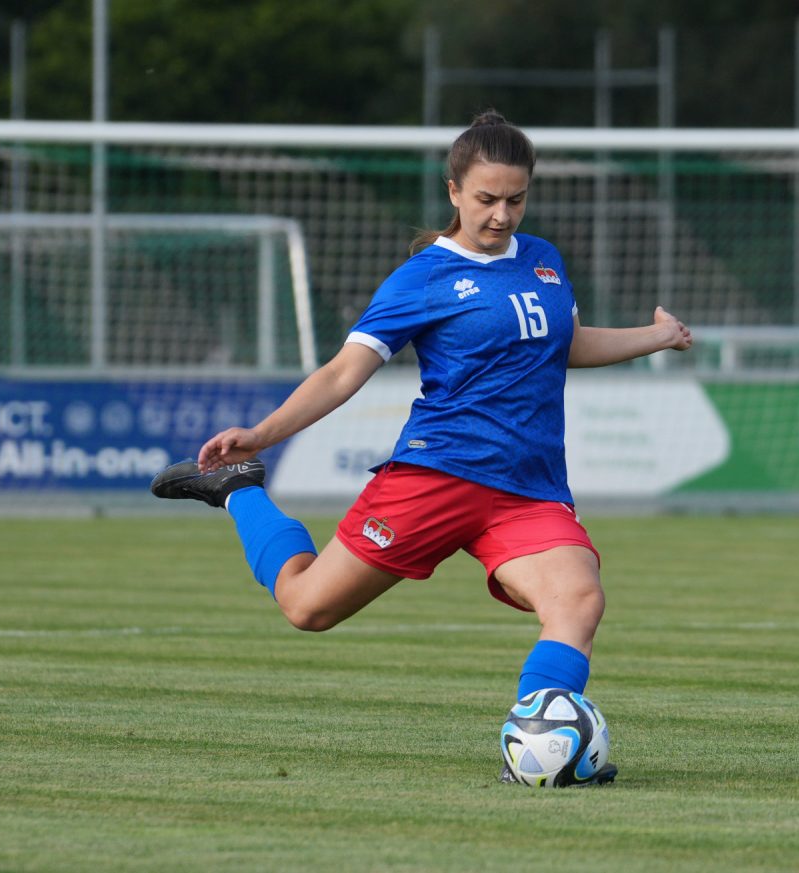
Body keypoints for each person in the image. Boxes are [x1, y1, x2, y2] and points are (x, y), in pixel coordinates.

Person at [150, 111, 692, 785]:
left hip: (528, 486)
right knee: (306, 607)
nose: (501, 214)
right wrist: (261, 434)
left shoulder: (544, 261)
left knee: (579, 601)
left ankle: (537, 749)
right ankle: (242, 490)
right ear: (454, 191)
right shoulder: (423, 278)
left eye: (515, 199)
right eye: (487, 199)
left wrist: (657, 335)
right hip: (435, 478)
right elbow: (344, 372)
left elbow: (568, 346)